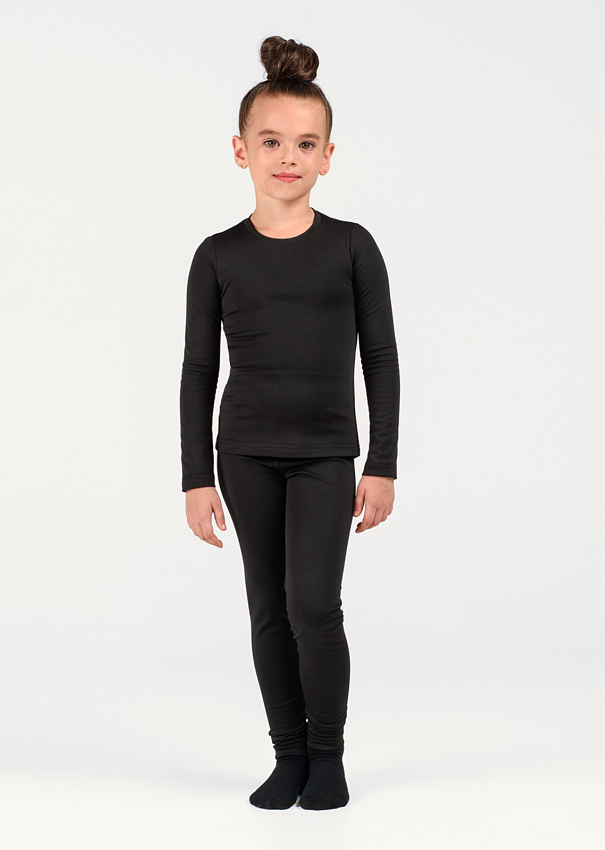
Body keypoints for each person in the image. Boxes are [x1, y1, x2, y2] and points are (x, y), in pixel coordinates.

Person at [179, 35, 400, 811]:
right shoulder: (217, 256)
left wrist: (382, 463)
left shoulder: (351, 247)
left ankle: (328, 756)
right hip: (243, 455)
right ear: (241, 151)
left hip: (324, 456)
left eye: (305, 144)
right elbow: (198, 371)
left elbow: (381, 358)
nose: (287, 157)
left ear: (328, 156)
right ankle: (288, 755)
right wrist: (196, 477)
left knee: (314, 604)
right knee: (268, 609)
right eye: (271, 141)